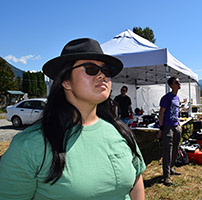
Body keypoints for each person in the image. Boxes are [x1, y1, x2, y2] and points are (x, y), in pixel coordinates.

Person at [0, 38, 146, 199]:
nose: (102, 75)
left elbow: (136, 183)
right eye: (91, 69)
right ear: (66, 82)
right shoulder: (29, 146)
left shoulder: (121, 132)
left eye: (107, 71)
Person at [158, 77, 182, 186]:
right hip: (168, 127)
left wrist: (179, 124)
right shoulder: (166, 98)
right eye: (176, 82)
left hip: (176, 127)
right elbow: (161, 113)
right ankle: (166, 176)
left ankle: (171, 168)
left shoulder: (177, 98)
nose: (179, 83)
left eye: (179, 82)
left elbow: (176, 112)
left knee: (175, 150)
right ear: (171, 85)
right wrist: (161, 129)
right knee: (167, 151)